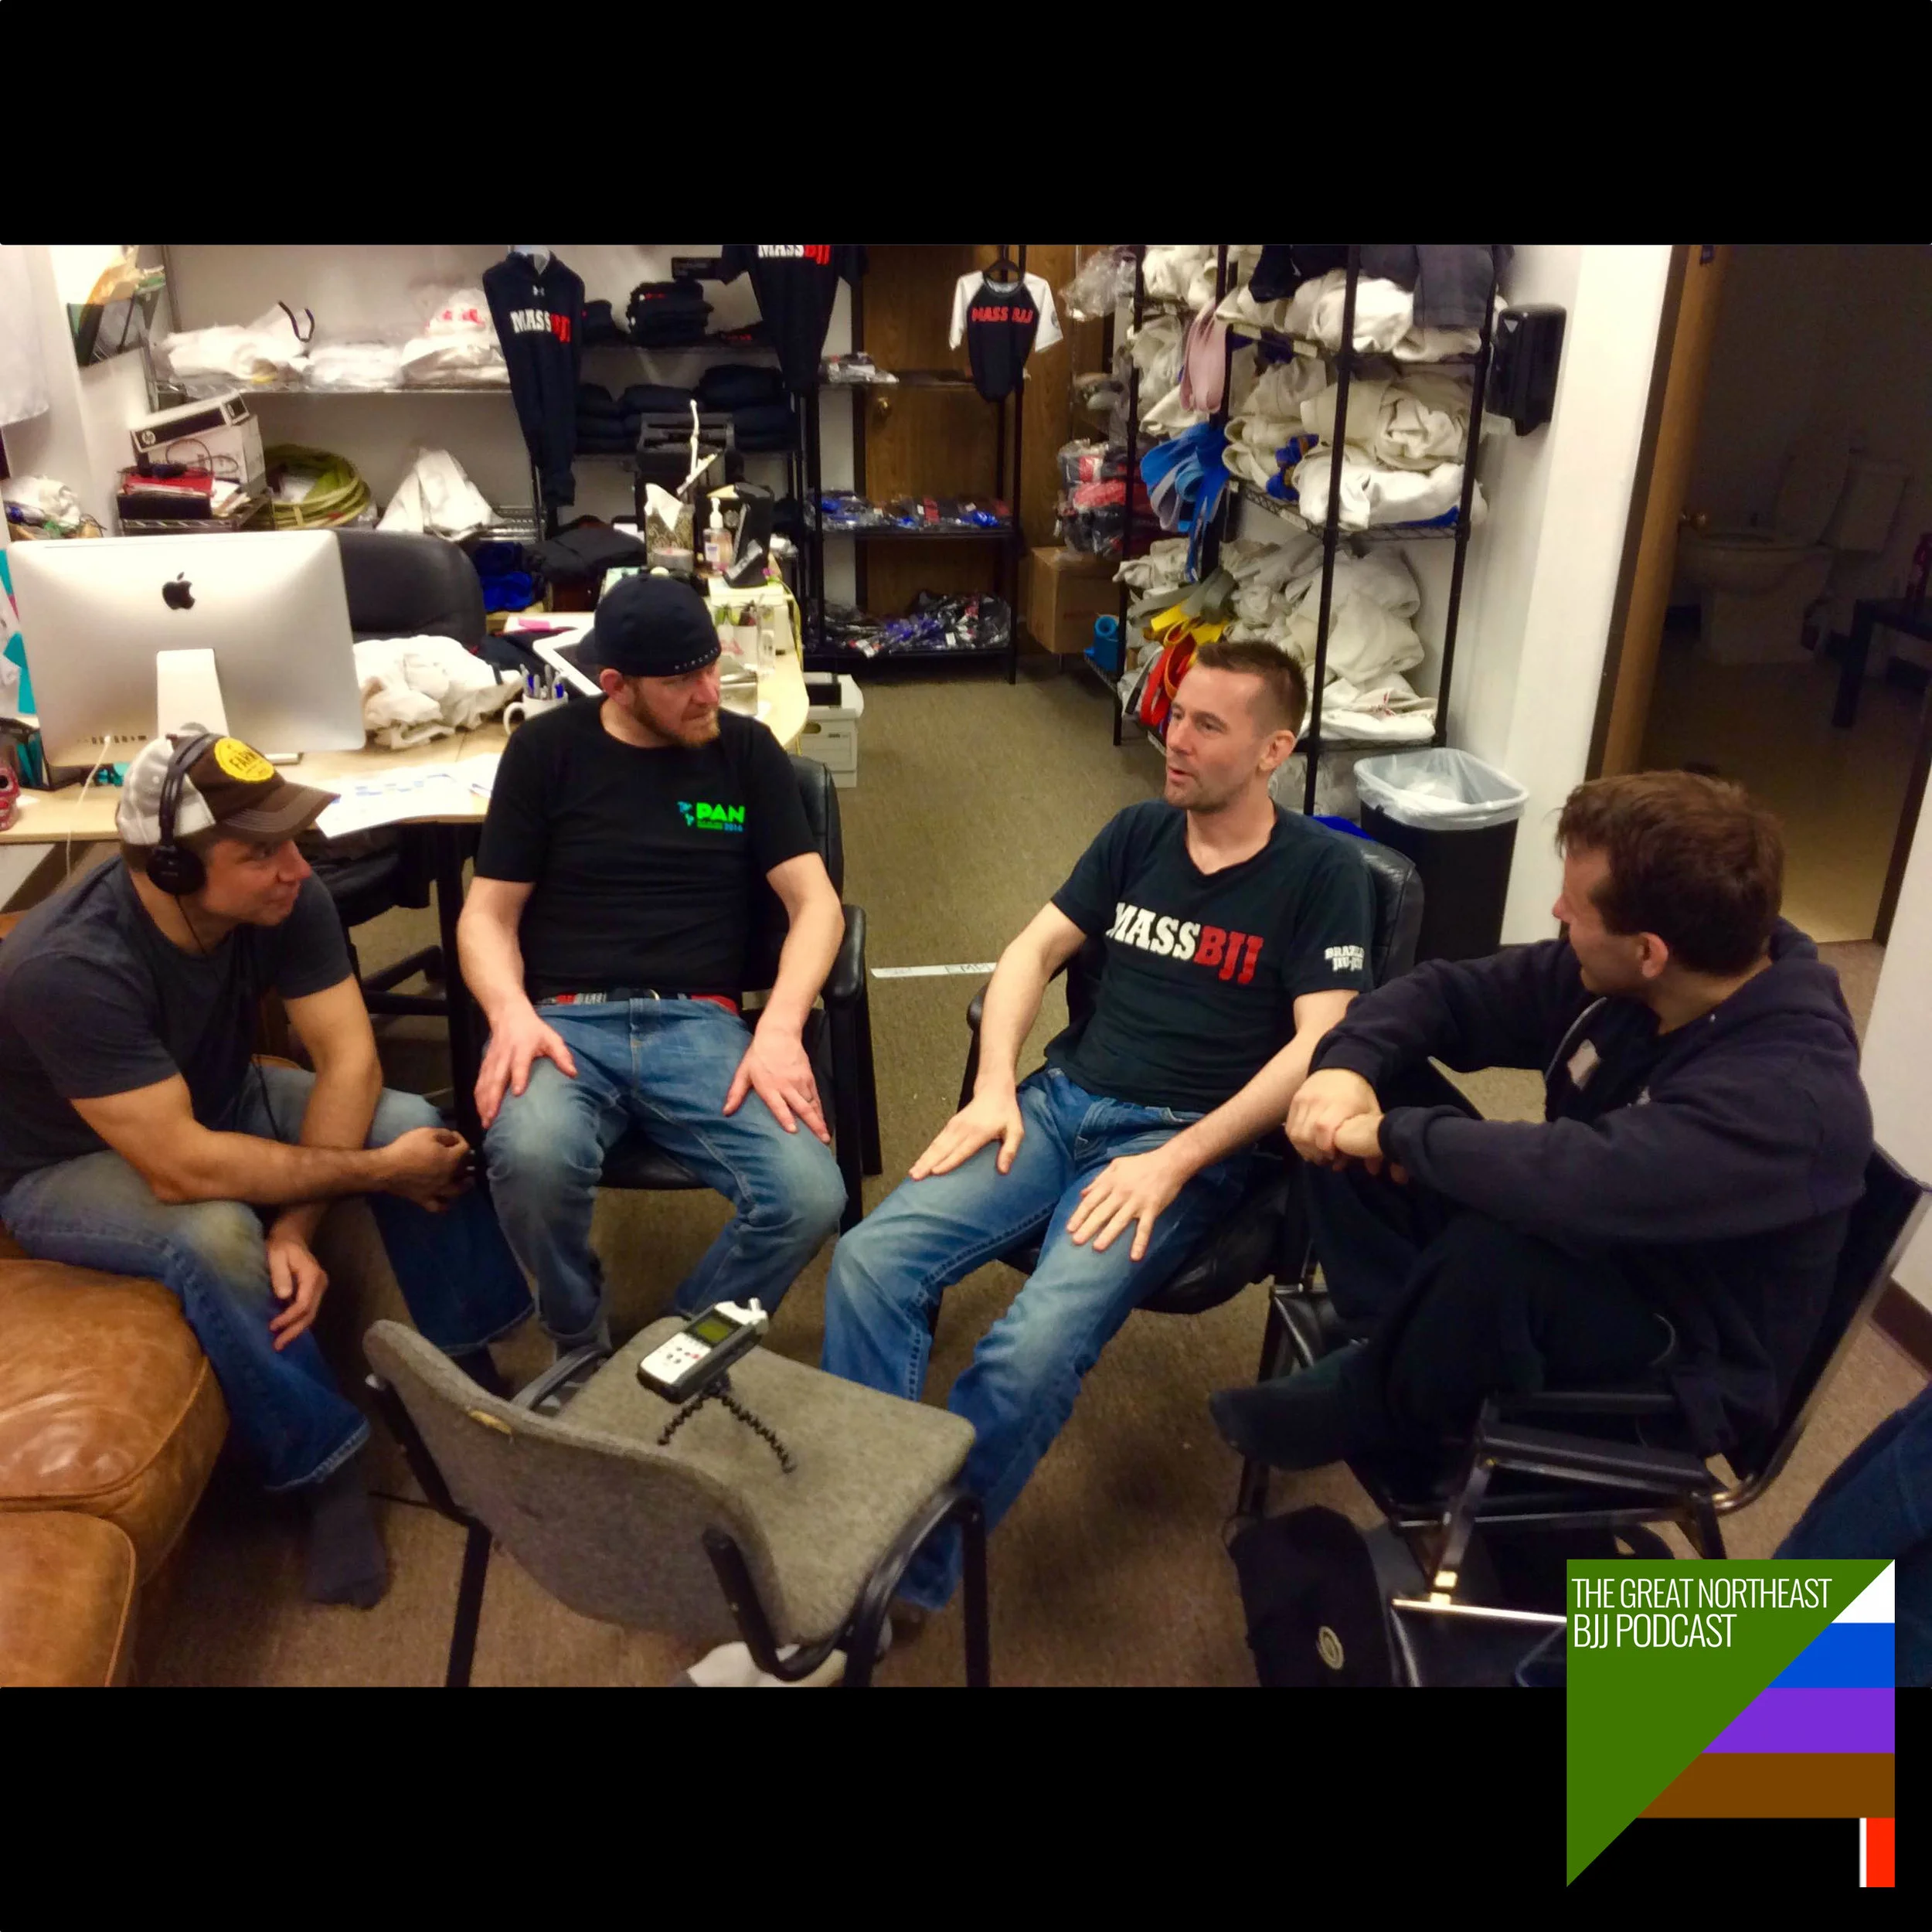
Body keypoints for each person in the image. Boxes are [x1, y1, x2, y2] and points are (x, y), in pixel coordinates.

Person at [819, 641, 1376, 1615]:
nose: (1174, 737)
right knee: (870, 1261)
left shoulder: (1322, 871)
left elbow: (1318, 1045)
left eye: (1208, 725)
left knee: (1029, 1352)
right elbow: (1031, 950)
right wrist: (993, 1087)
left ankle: (900, 1581)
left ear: (1272, 750)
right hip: (1055, 1106)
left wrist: (1178, 1160)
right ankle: (861, 1522)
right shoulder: (1137, 833)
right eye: (1176, 713)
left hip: (1175, 1145)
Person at [0, 730, 533, 1607]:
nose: (294, 868)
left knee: (408, 1121)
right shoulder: (68, 968)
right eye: (258, 854)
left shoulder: (290, 894)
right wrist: (372, 1173)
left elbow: (350, 1060)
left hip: (209, 1099)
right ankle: (321, 1467)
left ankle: (470, 1366)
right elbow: (178, 1168)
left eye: (290, 840)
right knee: (214, 1234)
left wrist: (297, 1229)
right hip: (66, 1163)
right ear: (172, 868)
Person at [1212, 770, 1875, 1475]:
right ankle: (1396, 1352)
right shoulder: (1638, 978)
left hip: (1679, 1353)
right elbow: (1444, 992)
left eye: (1575, 908)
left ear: (1649, 951)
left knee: (1498, 1247)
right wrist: (1348, 1070)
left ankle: (1379, 1399)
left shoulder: (1789, 1097)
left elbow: (1578, 1179)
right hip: (1591, 1248)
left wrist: (1391, 1135)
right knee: (1369, 1092)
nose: (1558, 911)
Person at [460, 573, 846, 1355]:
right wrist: (509, 1013)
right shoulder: (546, 751)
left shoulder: (745, 753)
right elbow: (487, 915)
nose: (708, 693)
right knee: (530, 1160)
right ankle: (577, 1337)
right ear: (617, 686)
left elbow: (818, 906)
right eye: (680, 682)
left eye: (711, 668)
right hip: (565, 1021)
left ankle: (679, 1348)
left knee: (808, 1195)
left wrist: (779, 1027)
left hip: (701, 1023)